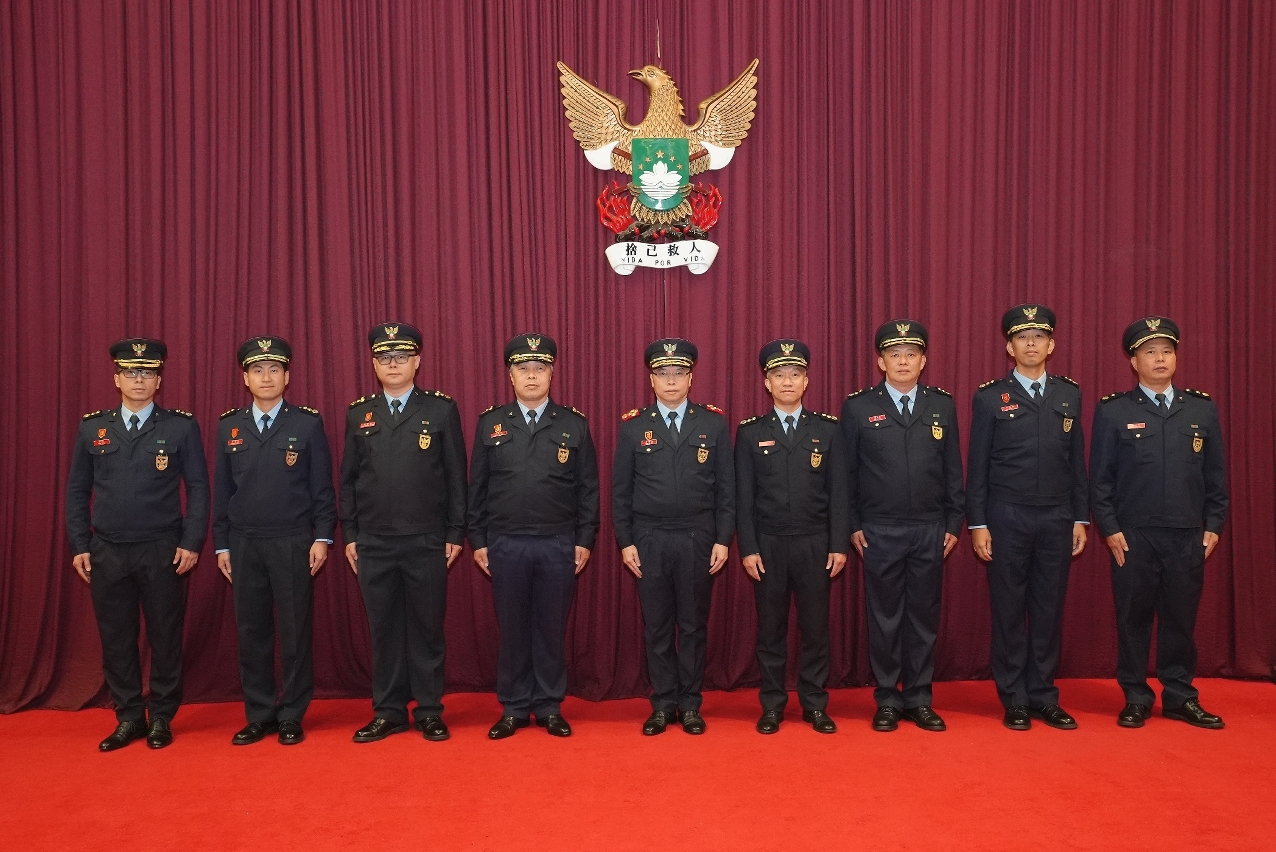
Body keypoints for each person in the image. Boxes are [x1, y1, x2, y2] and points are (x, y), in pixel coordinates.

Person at [66, 339, 209, 751]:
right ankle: (129, 716)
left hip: (162, 549)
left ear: (159, 380)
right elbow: (77, 491)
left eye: (147, 372)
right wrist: (80, 544)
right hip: (107, 550)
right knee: (116, 639)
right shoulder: (93, 428)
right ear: (117, 379)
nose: (139, 379)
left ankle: (161, 715)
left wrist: (191, 541)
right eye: (131, 372)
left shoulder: (180, 427)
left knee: (165, 636)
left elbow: (198, 488)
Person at [1090, 317, 1228, 729]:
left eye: (1167, 351)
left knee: (1180, 621)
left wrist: (1214, 523)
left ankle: (1180, 696)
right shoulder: (1113, 411)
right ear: (1134, 362)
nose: (1160, 358)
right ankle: (1135, 696)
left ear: (1176, 357)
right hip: (1134, 536)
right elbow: (1100, 480)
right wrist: (1110, 528)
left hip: (1187, 535)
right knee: (1133, 619)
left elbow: (1216, 476)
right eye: (1150, 352)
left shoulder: (1201, 408)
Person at [468, 333, 599, 739]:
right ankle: (513, 706)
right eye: (522, 368)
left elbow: (588, 490)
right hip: (505, 542)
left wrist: (584, 540)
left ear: (551, 373)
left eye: (539, 368)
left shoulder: (574, 424)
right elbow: (477, 488)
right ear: (510, 375)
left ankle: (548, 706)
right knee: (512, 629)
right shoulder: (491, 424)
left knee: (550, 627)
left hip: (557, 543)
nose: (531, 375)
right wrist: (478, 541)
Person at [341, 322, 467, 743]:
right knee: (384, 629)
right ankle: (389, 710)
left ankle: (429, 709)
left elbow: (456, 476)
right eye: (385, 358)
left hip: (426, 538)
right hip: (374, 541)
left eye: (401, 357)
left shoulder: (441, 410)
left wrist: (455, 532)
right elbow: (348, 479)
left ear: (417, 362)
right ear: (374, 365)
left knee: (427, 628)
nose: (393, 364)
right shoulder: (359, 413)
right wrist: (351, 533)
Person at [966, 305, 1088, 731]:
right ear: (1009, 347)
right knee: (1009, 609)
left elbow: (1076, 462)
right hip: (1007, 515)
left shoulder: (1069, 394)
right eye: (1022, 337)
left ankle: (1044, 696)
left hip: (1057, 516)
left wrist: (1081, 517)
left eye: (1039, 337)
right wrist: (978, 523)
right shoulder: (989, 397)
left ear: (1051, 345)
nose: (1031, 343)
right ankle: (1015, 698)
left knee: (1049, 609)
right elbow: (977, 466)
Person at [841, 320, 964, 732]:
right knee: (885, 618)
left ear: (923, 361)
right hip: (880, 529)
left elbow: (952, 470)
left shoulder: (941, 405)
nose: (903, 361)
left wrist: (954, 521)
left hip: (930, 528)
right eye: (894, 354)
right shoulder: (858, 407)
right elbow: (847, 474)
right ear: (881, 361)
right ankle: (888, 700)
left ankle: (919, 698)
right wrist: (853, 524)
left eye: (911, 354)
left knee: (923, 618)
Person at [214, 336, 336, 746]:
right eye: (257, 370)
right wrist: (221, 544)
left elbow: (322, 488)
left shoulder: (307, 424)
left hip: (293, 541)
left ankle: (292, 715)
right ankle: (260, 714)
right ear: (245, 378)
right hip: (244, 543)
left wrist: (322, 537)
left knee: (295, 631)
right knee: (252, 631)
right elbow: (221, 490)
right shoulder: (229, 426)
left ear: (287, 376)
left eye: (274, 370)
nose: (266, 377)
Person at [613, 339, 734, 736]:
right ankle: (664, 704)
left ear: (690, 378)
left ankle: (691, 704)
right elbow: (620, 492)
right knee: (658, 626)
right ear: (651, 379)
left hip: (699, 538)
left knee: (694, 625)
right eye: (662, 373)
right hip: (649, 540)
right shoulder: (633, 427)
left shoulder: (713, 424)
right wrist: (626, 541)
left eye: (679, 373)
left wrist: (723, 539)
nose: (671, 381)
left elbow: (726, 490)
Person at [736, 340, 848, 735]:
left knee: (815, 629)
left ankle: (815, 704)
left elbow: (839, 491)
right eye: (779, 375)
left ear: (806, 381)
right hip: (768, 545)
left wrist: (838, 544)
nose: (788, 381)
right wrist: (748, 548)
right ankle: (772, 705)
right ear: (767, 383)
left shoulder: (828, 430)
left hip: (815, 543)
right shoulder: (750, 433)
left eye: (795, 374)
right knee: (771, 630)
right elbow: (743, 497)